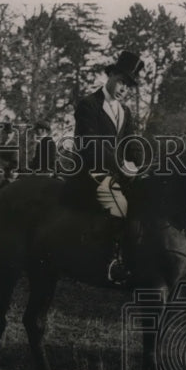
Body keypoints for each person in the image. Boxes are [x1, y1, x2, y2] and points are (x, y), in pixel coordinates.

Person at [74, 50, 144, 284]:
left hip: (118, 171)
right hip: (91, 170)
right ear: (111, 75)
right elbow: (91, 144)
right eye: (123, 82)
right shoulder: (88, 105)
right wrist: (121, 167)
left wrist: (143, 166)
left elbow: (131, 143)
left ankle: (136, 259)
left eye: (129, 86)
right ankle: (109, 261)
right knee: (118, 202)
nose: (124, 89)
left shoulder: (125, 111)